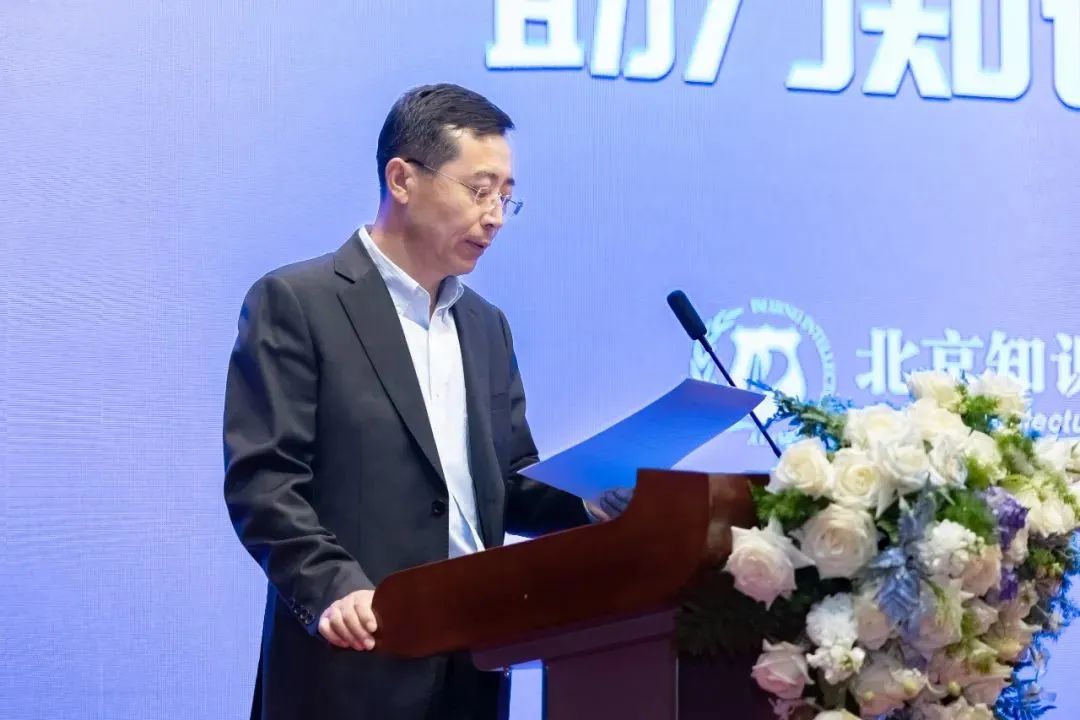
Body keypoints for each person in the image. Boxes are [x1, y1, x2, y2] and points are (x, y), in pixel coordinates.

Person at [223, 83, 629, 720]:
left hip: (473, 661)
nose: (495, 216)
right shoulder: (298, 302)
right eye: (479, 190)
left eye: (506, 196)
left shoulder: (486, 325)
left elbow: (507, 481)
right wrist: (334, 587)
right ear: (402, 179)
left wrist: (600, 500)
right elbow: (265, 481)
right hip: (356, 656)